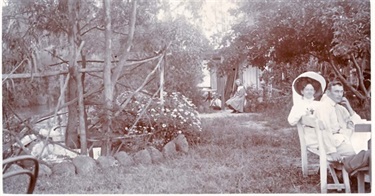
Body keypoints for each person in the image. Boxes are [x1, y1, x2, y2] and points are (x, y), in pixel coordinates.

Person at [314, 80, 364, 162]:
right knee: (365, 150)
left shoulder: (340, 108)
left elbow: (358, 124)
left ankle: (356, 171)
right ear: (328, 93)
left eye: (341, 92)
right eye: (336, 91)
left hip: (345, 138)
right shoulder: (323, 107)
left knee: (368, 144)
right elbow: (325, 130)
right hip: (334, 142)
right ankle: (352, 169)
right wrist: (332, 151)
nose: (339, 95)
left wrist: (349, 106)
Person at [288, 73, 326, 149]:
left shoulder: (318, 104)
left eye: (311, 90)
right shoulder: (298, 105)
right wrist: (303, 113)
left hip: (323, 132)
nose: (309, 92)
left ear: (314, 92)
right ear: (302, 92)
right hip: (310, 136)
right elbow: (291, 121)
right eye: (307, 90)